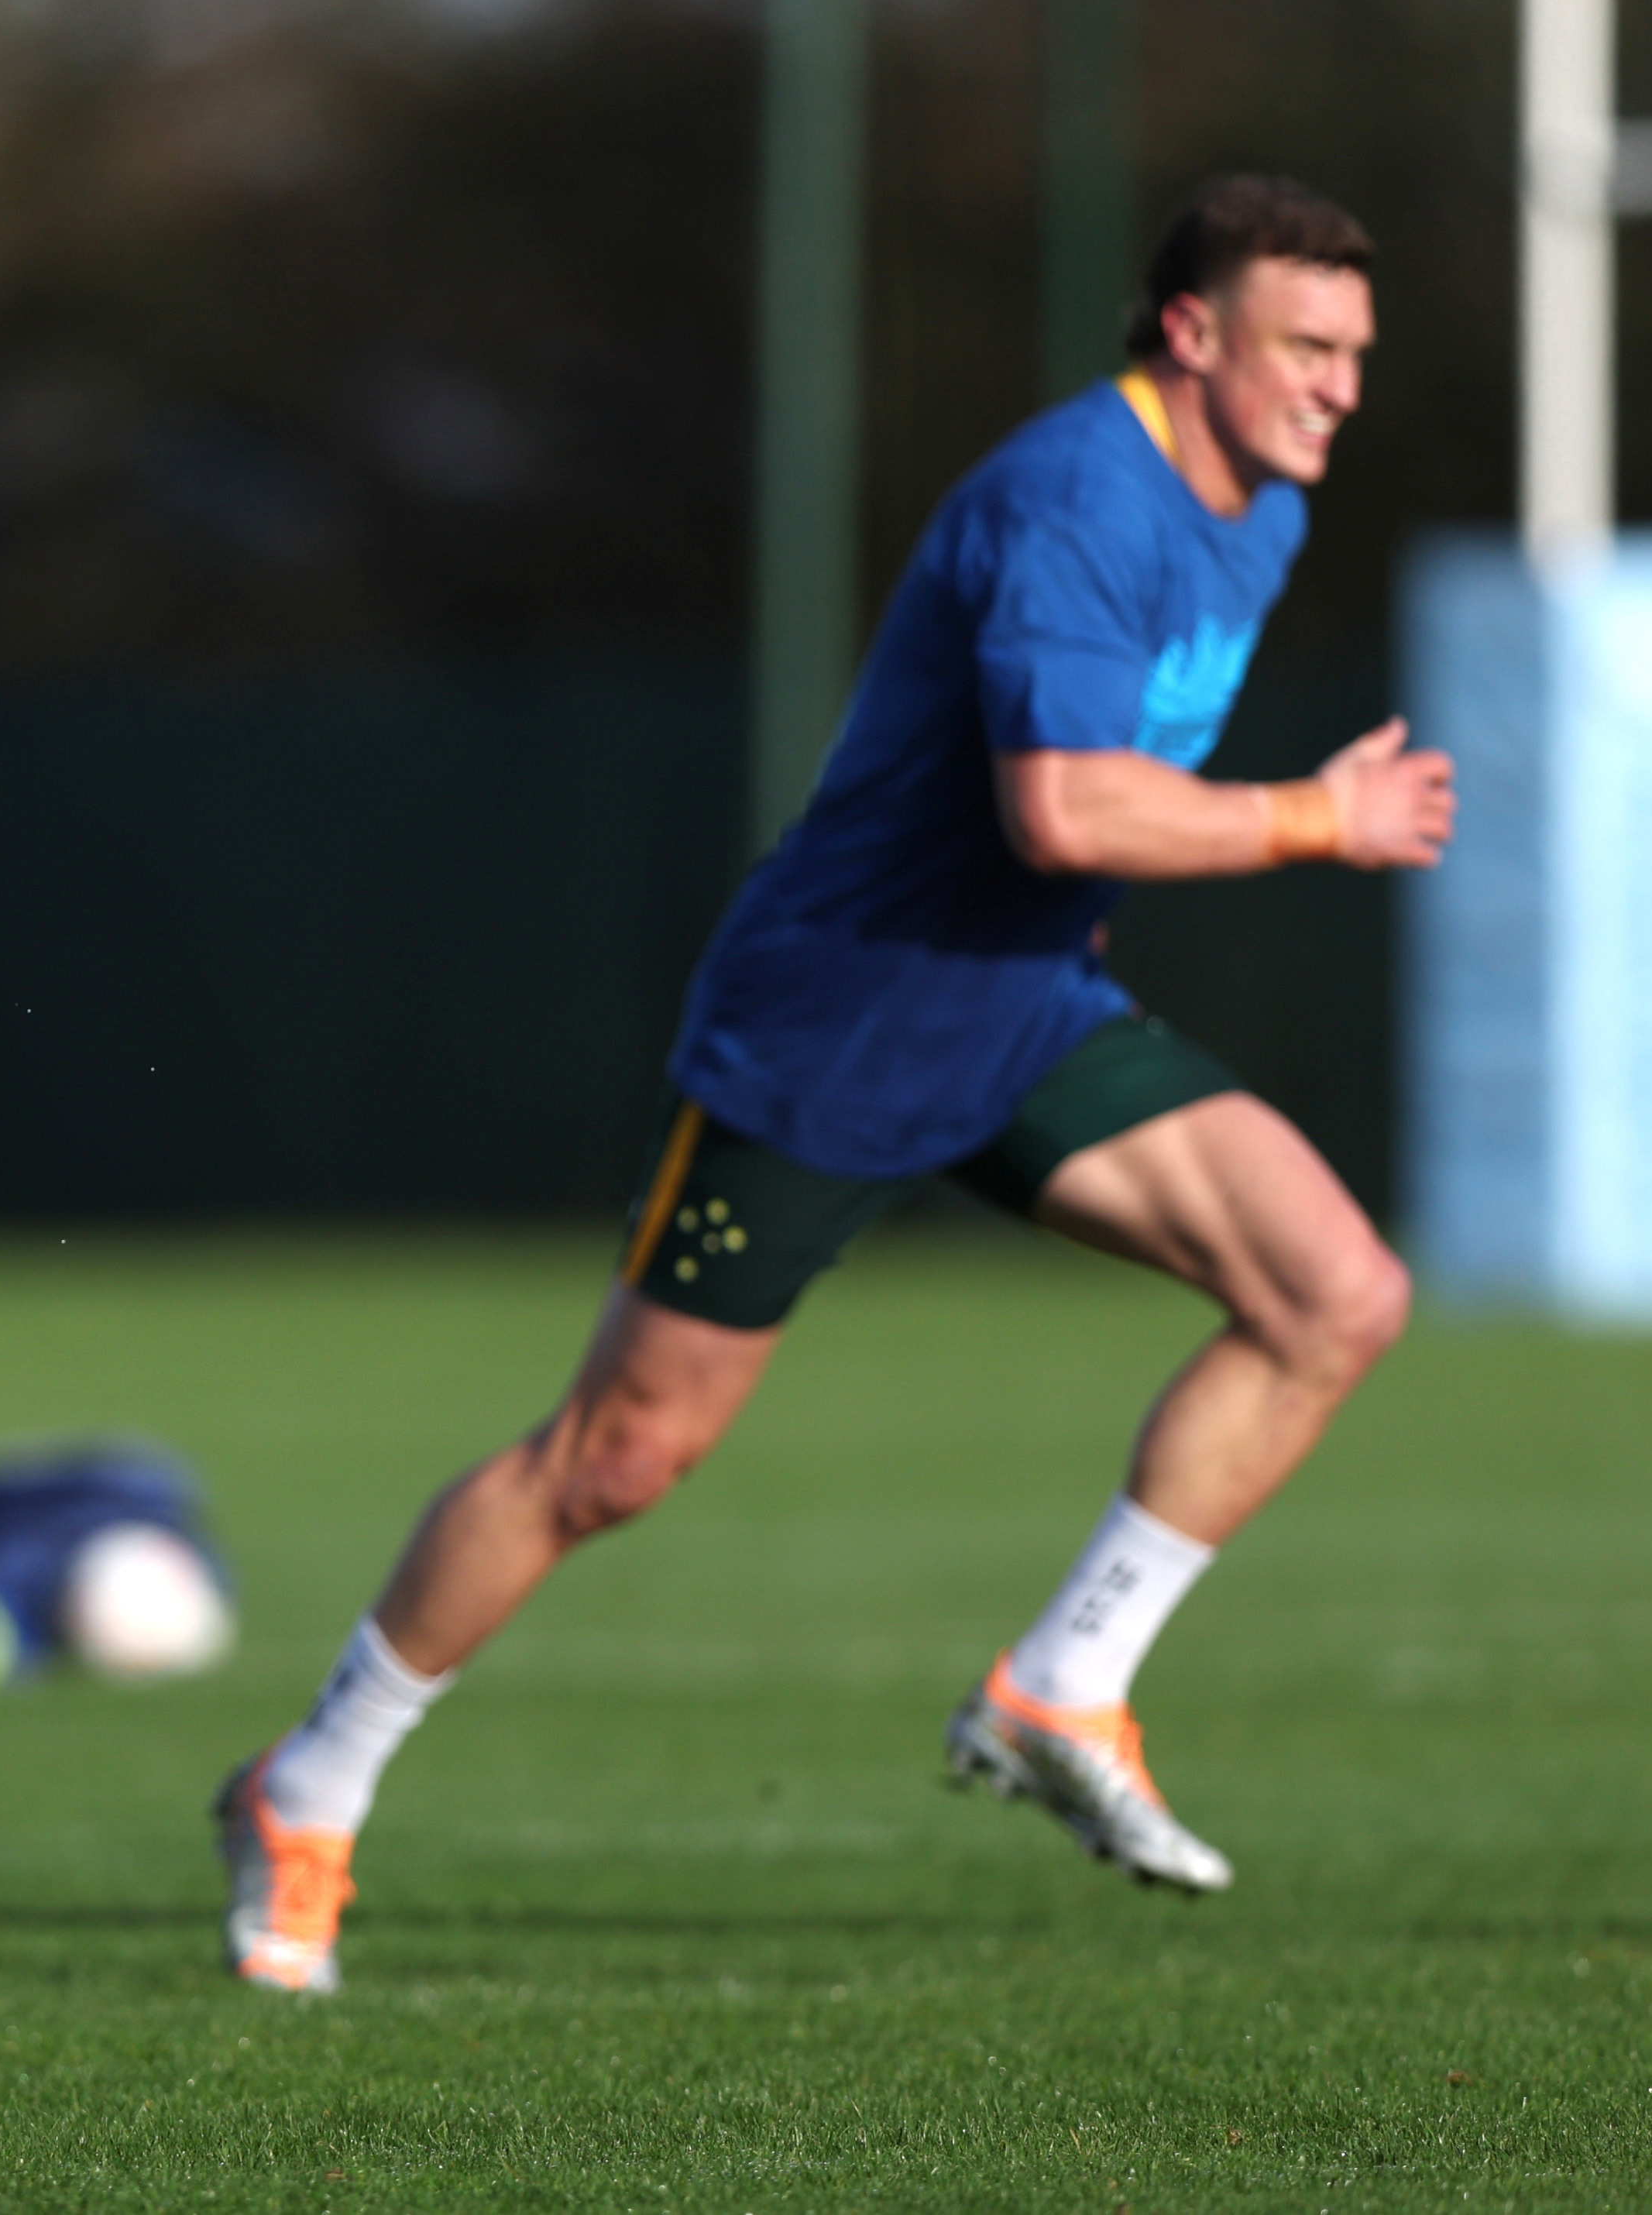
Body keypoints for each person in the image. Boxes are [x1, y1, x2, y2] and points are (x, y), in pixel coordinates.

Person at [214, 176, 1452, 1997]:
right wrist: (1311, 818)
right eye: (1305, 347)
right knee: (614, 1458)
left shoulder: (1255, 509)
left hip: (1027, 1005)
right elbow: (1064, 802)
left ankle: (1065, 1682)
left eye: (1356, 353)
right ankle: (303, 1789)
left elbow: (1063, 839)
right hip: (839, 1021)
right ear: (1190, 332)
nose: (1340, 386)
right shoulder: (1075, 495)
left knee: (1335, 1290)